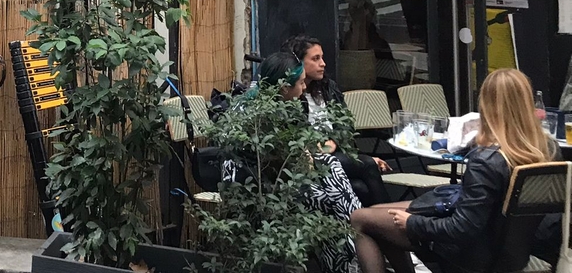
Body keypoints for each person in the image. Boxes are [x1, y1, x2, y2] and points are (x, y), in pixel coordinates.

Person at [351, 68, 557, 273]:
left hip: (472, 254)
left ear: (487, 107)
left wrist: (413, 223)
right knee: (379, 215)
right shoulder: (546, 151)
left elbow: (462, 228)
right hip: (513, 252)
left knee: (360, 219)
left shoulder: (486, 160)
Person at [234, 52, 362, 273]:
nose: (304, 88)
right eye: (301, 83)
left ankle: (356, 243)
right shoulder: (265, 116)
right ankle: (358, 243)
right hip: (265, 190)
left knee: (333, 168)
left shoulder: (264, 104)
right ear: (284, 87)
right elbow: (289, 166)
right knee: (333, 197)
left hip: (280, 182)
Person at [284, 35, 392, 206]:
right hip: (312, 158)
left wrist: (333, 141)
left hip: (337, 152)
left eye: (322, 57)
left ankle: (372, 225)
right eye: (315, 58)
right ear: (299, 63)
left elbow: (346, 123)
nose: (323, 63)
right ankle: (388, 220)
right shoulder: (292, 94)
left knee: (360, 188)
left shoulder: (329, 88)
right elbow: (295, 133)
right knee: (368, 165)